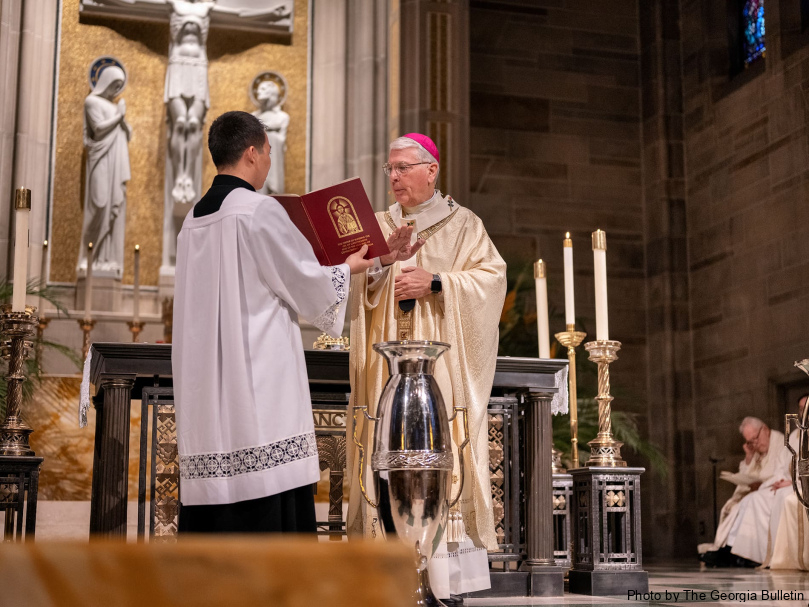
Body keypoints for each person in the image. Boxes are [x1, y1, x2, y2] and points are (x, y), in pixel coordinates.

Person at [173, 111, 372, 533]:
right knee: (264, 480)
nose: (267, 160)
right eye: (266, 151)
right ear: (251, 152)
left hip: (207, 383)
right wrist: (346, 269)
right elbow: (301, 279)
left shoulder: (192, 219)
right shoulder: (257, 210)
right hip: (257, 379)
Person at [347, 133, 506, 600]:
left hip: (439, 375)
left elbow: (490, 281)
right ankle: (384, 575)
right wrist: (378, 271)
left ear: (431, 170)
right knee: (384, 460)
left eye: (403, 167)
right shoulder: (377, 225)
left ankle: (440, 580)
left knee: (438, 462)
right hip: (385, 373)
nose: (394, 177)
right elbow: (357, 285)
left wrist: (437, 281)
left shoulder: (463, 225)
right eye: (389, 169)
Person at [699, 417, 788, 565]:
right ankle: (731, 551)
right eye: (750, 442)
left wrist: (761, 485)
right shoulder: (758, 448)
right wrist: (749, 456)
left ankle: (730, 552)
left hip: (773, 490)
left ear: (765, 429)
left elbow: (781, 473)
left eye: (755, 439)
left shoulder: (781, 444)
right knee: (734, 506)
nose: (755, 444)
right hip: (759, 491)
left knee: (746, 503)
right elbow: (748, 473)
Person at [78, 65, 131, 277]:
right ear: (105, 82)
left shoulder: (114, 106)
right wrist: (120, 116)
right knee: (99, 205)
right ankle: (86, 255)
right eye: (113, 85)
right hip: (100, 159)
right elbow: (99, 129)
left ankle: (104, 259)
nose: (115, 91)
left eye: (119, 87)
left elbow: (126, 134)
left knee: (112, 211)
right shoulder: (91, 102)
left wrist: (124, 123)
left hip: (115, 161)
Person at [764, 394, 809, 570]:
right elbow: (782, 465)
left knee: (787, 498)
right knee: (781, 496)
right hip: (795, 484)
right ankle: (781, 554)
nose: (804, 411)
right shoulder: (794, 436)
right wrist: (785, 480)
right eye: (800, 408)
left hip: (801, 485)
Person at [252, 79, 289, 195]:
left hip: (274, 161)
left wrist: (270, 135)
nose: (259, 93)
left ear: (271, 92)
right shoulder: (253, 117)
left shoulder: (282, 117)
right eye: (258, 90)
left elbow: (282, 141)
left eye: (263, 89)